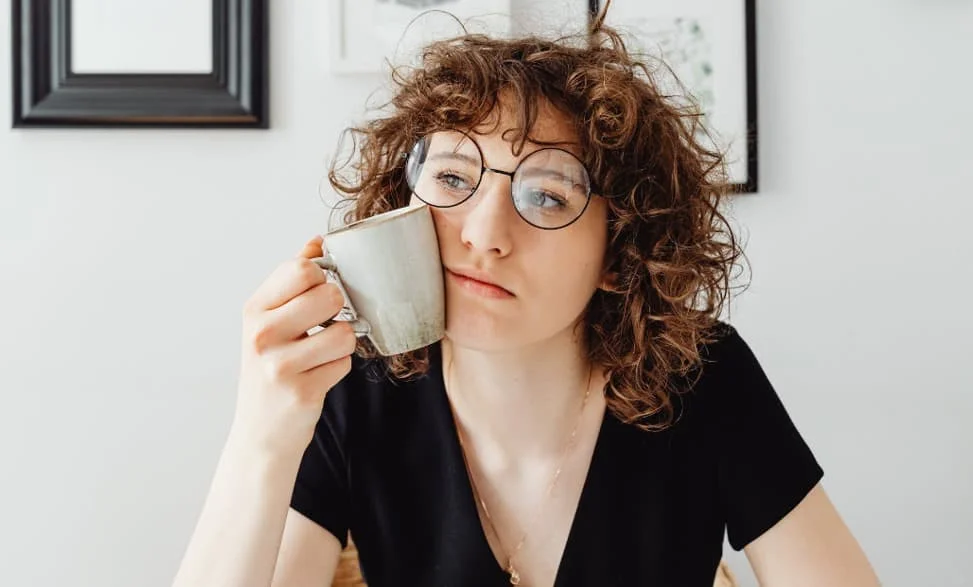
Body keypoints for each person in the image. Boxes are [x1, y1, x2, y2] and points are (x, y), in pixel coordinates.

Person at [172, 6, 881, 587]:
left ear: (619, 251)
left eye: (546, 194)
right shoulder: (355, 386)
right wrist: (262, 437)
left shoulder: (700, 375)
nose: (484, 234)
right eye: (452, 179)